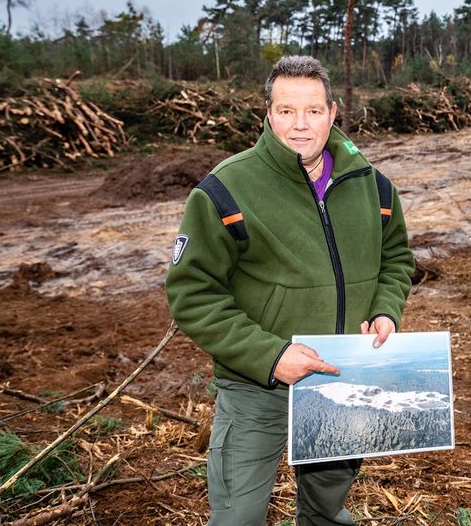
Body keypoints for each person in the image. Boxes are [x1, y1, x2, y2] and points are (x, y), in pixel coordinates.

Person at [166, 56, 414, 525]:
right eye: (286, 111)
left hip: (339, 378)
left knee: (326, 511)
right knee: (237, 516)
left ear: (333, 112)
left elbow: (397, 259)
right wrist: (271, 355)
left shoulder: (373, 186)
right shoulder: (226, 189)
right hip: (256, 384)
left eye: (313, 111)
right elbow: (193, 293)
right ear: (267, 113)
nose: (300, 125)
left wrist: (385, 310)